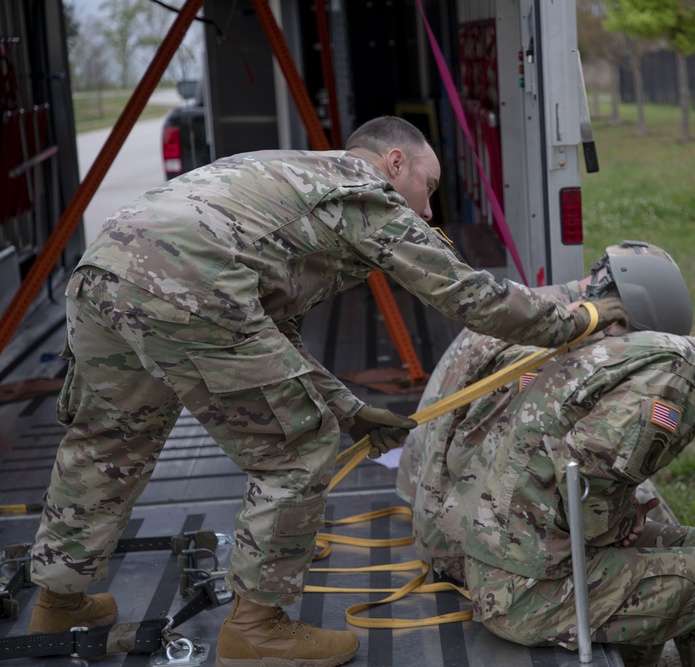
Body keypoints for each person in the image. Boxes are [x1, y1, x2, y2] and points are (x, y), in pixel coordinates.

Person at [25, 116, 628, 667]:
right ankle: (257, 628)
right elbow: (468, 297)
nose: (428, 203)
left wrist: (350, 409)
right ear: (396, 164)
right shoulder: (365, 193)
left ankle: (59, 599)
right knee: (297, 446)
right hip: (189, 282)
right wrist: (579, 319)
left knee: (110, 441)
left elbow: (269, 336)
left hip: (105, 270)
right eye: (430, 184)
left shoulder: (284, 176)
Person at [421, 298, 695, 667]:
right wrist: (619, 525)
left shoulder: (674, 356)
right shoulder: (674, 386)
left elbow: (586, 469)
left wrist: (620, 520)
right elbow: (583, 486)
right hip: (521, 589)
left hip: (520, 553)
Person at [397, 239, 694, 582]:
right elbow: (474, 463)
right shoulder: (536, 353)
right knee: (670, 569)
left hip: (436, 504)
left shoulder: (538, 311)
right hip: (463, 547)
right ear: (618, 314)